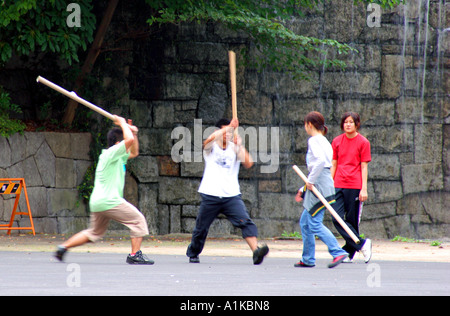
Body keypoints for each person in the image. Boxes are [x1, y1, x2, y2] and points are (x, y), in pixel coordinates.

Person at [55, 115, 154, 265]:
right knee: (138, 221)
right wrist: (122, 124)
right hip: (110, 201)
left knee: (94, 233)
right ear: (117, 143)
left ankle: (63, 248)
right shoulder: (111, 153)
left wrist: (133, 132)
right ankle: (135, 254)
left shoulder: (115, 156)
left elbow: (134, 152)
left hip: (99, 202)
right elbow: (129, 142)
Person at [186, 118, 269, 265]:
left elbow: (249, 163)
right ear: (218, 131)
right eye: (225, 132)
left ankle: (256, 251)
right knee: (201, 228)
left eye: (230, 132)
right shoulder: (210, 148)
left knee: (245, 222)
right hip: (210, 194)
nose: (227, 134)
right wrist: (229, 127)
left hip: (231, 196)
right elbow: (209, 140)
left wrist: (240, 146)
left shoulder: (234, 147)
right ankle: (193, 252)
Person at [294, 111, 348, 268]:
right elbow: (322, 165)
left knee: (314, 223)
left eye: (305, 125)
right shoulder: (324, 140)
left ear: (309, 124)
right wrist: (304, 187)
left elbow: (319, 162)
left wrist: (309, 182)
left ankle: (338, 252)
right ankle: (308, 258)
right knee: (305, 222)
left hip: (319, 184)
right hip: (321, 182)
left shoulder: (314, 140)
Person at [330, 111, 372, 263]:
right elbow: (333, 164)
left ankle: (349, 253)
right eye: (345, 122)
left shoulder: (363, 142)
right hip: (337, 184)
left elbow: (364, 167)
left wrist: (364, 189)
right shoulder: (336, 141)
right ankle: (362, 244)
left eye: (351, 122)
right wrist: (329, 184)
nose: (348, 124)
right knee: (336, 217)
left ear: (356, 124)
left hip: (354, 185)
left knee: (352, 221)